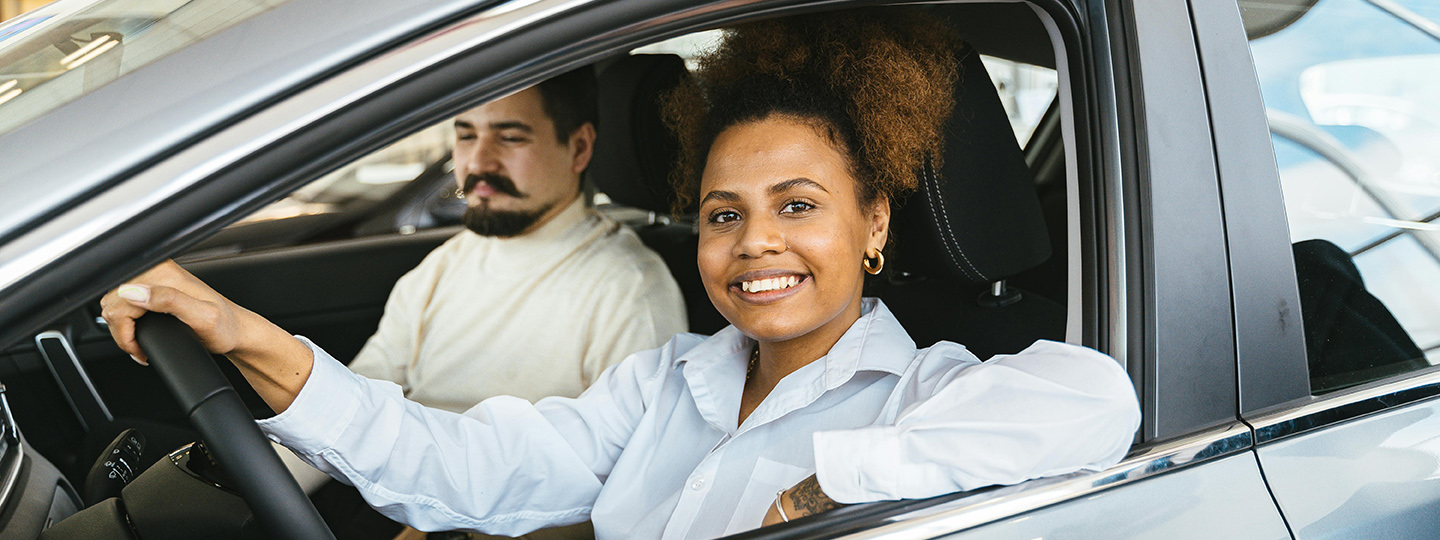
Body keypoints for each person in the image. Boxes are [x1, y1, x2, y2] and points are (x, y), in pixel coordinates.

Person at [99, 11, 1141, 539]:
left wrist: (824, 491)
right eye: (724, 215)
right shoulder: (667, 383)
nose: (754, 244)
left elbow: (1100, 404)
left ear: (874, 223)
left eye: (799, 207)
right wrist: (251, 340)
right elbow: (467, 464)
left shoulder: (932, 394)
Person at [350, 68, 687, 414]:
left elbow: (626, 457)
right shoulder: (446, 263)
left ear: (579, 148)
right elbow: (355, 404)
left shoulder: (629, 290)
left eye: (510, 137)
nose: (478, 162)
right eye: (466, 137)